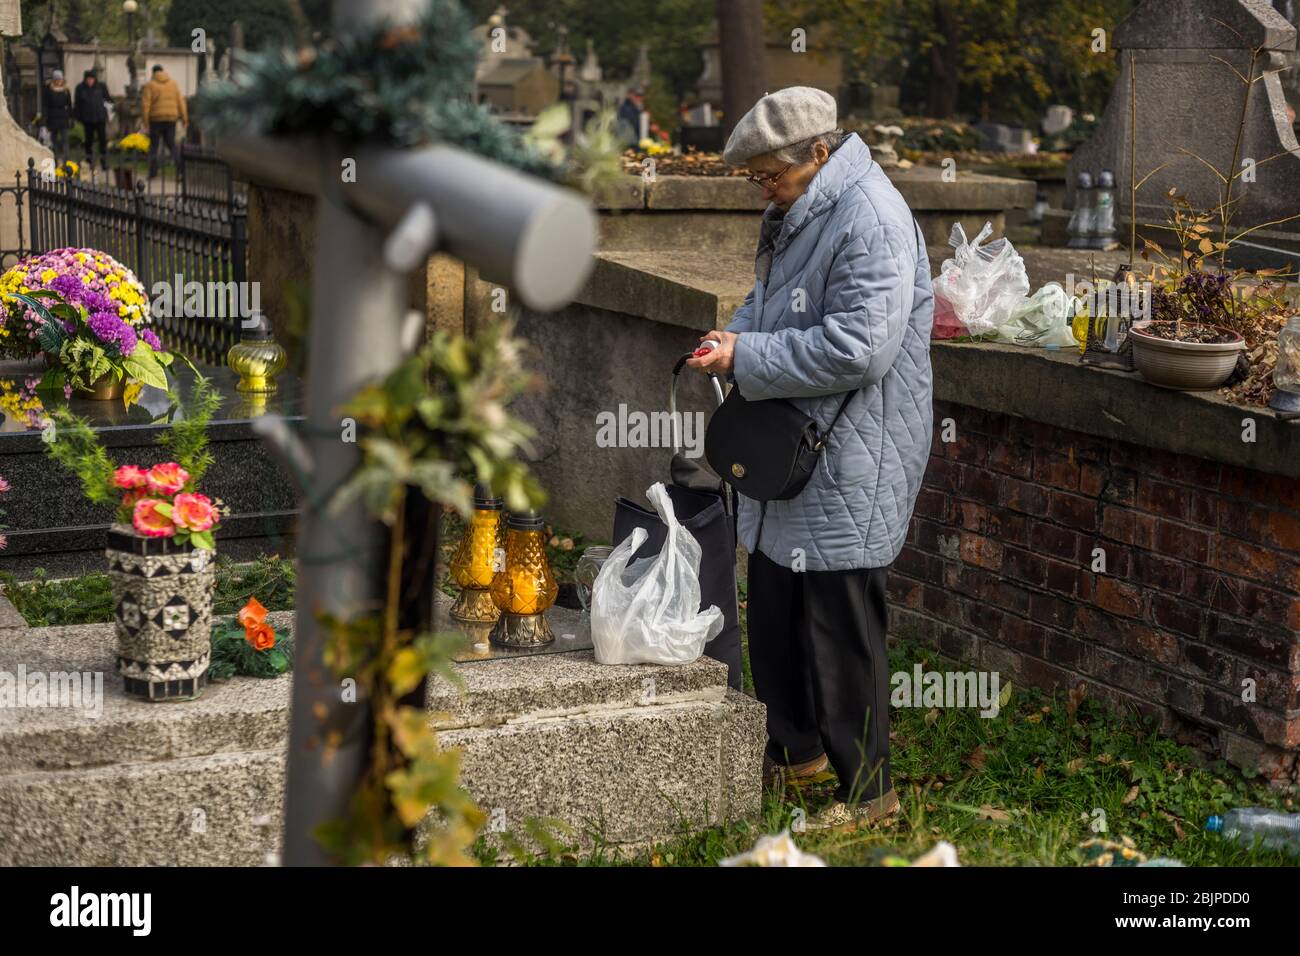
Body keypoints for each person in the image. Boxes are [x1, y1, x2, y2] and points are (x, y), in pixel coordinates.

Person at [688, 87, 934, 829]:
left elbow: (860, 348)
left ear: (818, 154)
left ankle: (870, 797)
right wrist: (728, 338)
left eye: (770, 176)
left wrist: (748, 353)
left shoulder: (872, 218)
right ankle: (797, 757)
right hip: (794, 443)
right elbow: (769, 304)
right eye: (756, 178)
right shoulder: (804, 208)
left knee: (838, 631)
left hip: (853, 450)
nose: (763, 189)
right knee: (773, 606)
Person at [141, 64, 188, 177]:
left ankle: (153, 172)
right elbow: (181, 102)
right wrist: (185, 119)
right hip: (171, 119)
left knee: (154, 146)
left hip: (156, 119)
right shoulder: (173, 84)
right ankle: (180, 170)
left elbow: (145, 105)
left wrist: (146, 123)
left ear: (153, 73)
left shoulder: (150, 85)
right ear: (163, 71)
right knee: (171, 145)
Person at [73, 70, 112, 171]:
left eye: (92, 79)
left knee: (102, 141)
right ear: (85, 79)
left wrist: (110, 108)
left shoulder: (101, 87)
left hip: (100, 118)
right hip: (87, 119)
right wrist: (78, 117)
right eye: (88, 79)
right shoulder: (80, 88)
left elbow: (108, 99)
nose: (90, 81)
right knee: (88, 142)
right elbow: (77, 104)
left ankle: (104, 163)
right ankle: (89, 162)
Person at [44, 70, 73, 165]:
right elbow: (46, 105)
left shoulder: (66, 90)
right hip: (53, 118)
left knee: (65, 141)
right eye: (56, 79)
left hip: (63, 118)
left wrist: (70, 117)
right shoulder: (49, 89)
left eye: (60, 79)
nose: (58, 81)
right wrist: (46, 119)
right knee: (54, 141)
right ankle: (55, 161)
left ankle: (66, 162)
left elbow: (69, 105)